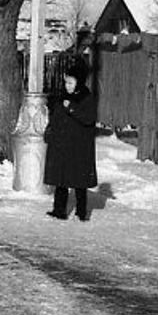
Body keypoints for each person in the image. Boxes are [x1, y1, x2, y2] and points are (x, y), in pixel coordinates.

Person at [44, 60, 98, 221]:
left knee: (78, 181)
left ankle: (81, 212)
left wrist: (72, 108)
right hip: (61, 144)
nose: (67, 85)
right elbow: (56, 118)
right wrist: (49, 131)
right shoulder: (62, 97)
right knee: (61, 179)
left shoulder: (86, 98)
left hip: (78, 146)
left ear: (78, 82)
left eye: (70, 82)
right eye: (66, 82)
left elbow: (88, 119)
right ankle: (59, 210)